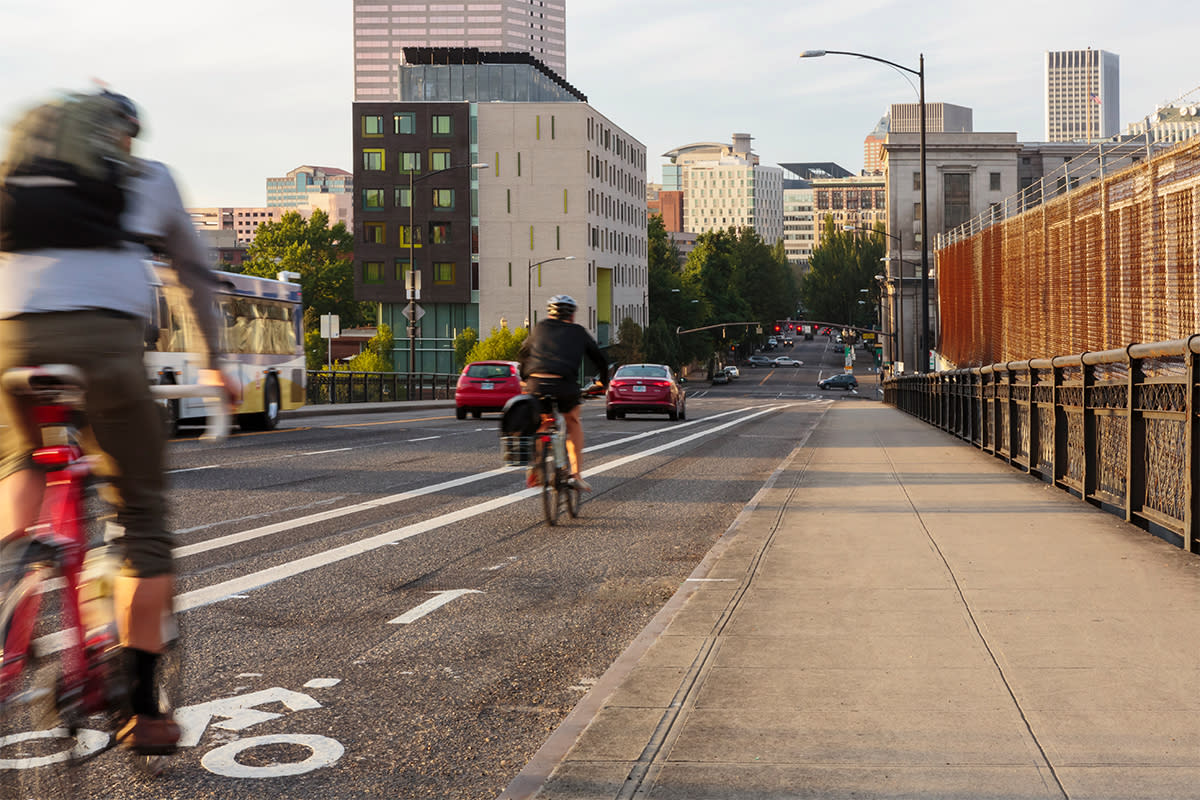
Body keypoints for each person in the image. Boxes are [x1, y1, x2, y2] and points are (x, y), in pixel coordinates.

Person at [0, 89, 239, 754]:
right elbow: (196, 272)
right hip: (107, 351)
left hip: (14, 341)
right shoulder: (149, 178)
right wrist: (215, 362)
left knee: (19, 468)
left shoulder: (17, 173)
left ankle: (18, 559)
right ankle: (145, 711)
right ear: (125, 135)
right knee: (142, 520)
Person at [517, 294, 608, 491]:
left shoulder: (539, 328)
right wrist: (603, 382)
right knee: (572, 420)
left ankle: (536, 465)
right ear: (572, 316)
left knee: (543, 421)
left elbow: (523, 353)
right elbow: (599, 358)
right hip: (563, 385)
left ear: (550, 313)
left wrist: (525, 380)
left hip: (536, 383)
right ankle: (575, 474)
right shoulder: (578, 331)